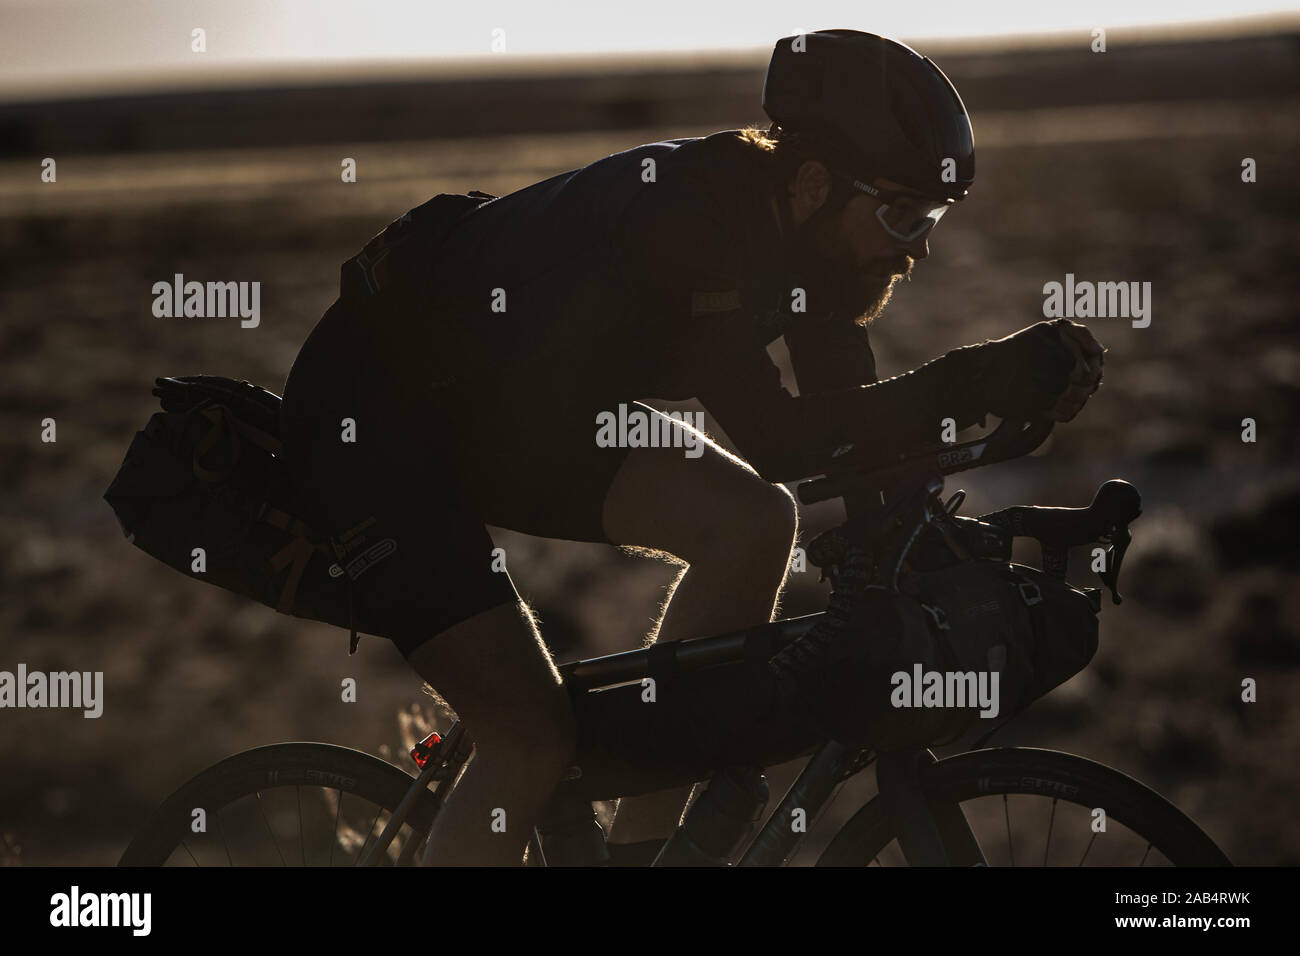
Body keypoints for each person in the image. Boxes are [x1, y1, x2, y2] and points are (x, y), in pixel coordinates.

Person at [279, 29, 1103, 867]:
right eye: (902, 212)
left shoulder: (822, 251)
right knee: (529, 734)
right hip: (374, 426)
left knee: (751, 522)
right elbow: (779, 438)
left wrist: (934, 522)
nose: (918, 244)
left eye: (931, 217)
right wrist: (975, 379)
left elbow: (850, 433)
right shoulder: (695, 217)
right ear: (817, 180)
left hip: (515, 414)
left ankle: (647, 857)